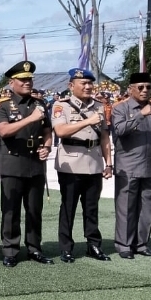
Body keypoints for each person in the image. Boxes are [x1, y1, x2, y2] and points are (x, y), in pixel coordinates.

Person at [50, 68, 113, 263]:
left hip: (93, 161)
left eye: (89, 83)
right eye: (83, 83)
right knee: (68, 207)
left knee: (91, 207)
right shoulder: (61, 106)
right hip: (71, 161)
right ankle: (66, 247)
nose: (88, 87)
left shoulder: (99, 106)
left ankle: (93, 244)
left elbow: (104, 137)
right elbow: (60, 131)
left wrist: (108, 163)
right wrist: (88, 122)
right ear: (71, 86)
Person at [0, 61, 53, 267]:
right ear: (12, 82)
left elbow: (47, 130)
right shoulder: (2, 105)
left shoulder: (40, 103)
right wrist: (30, 119)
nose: (28, 83)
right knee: (10, 210)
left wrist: (47, 146)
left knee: (34, 209)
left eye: (29, 79)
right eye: (23, 79)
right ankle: (10, 250)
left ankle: (34, 248)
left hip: (35, 162)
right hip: (13, 162)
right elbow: (4, 131)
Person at [111, 73, 151, 259]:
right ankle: (124, 245)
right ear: (130, 89)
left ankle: (142, 244)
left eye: (148, 87)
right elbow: (119, 130)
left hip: (150, 166)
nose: (145, 91)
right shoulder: (120, 108)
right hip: (128, 167)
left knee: (147, 208)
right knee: (126, 208)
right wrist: (139, 115)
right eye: (140, 87)